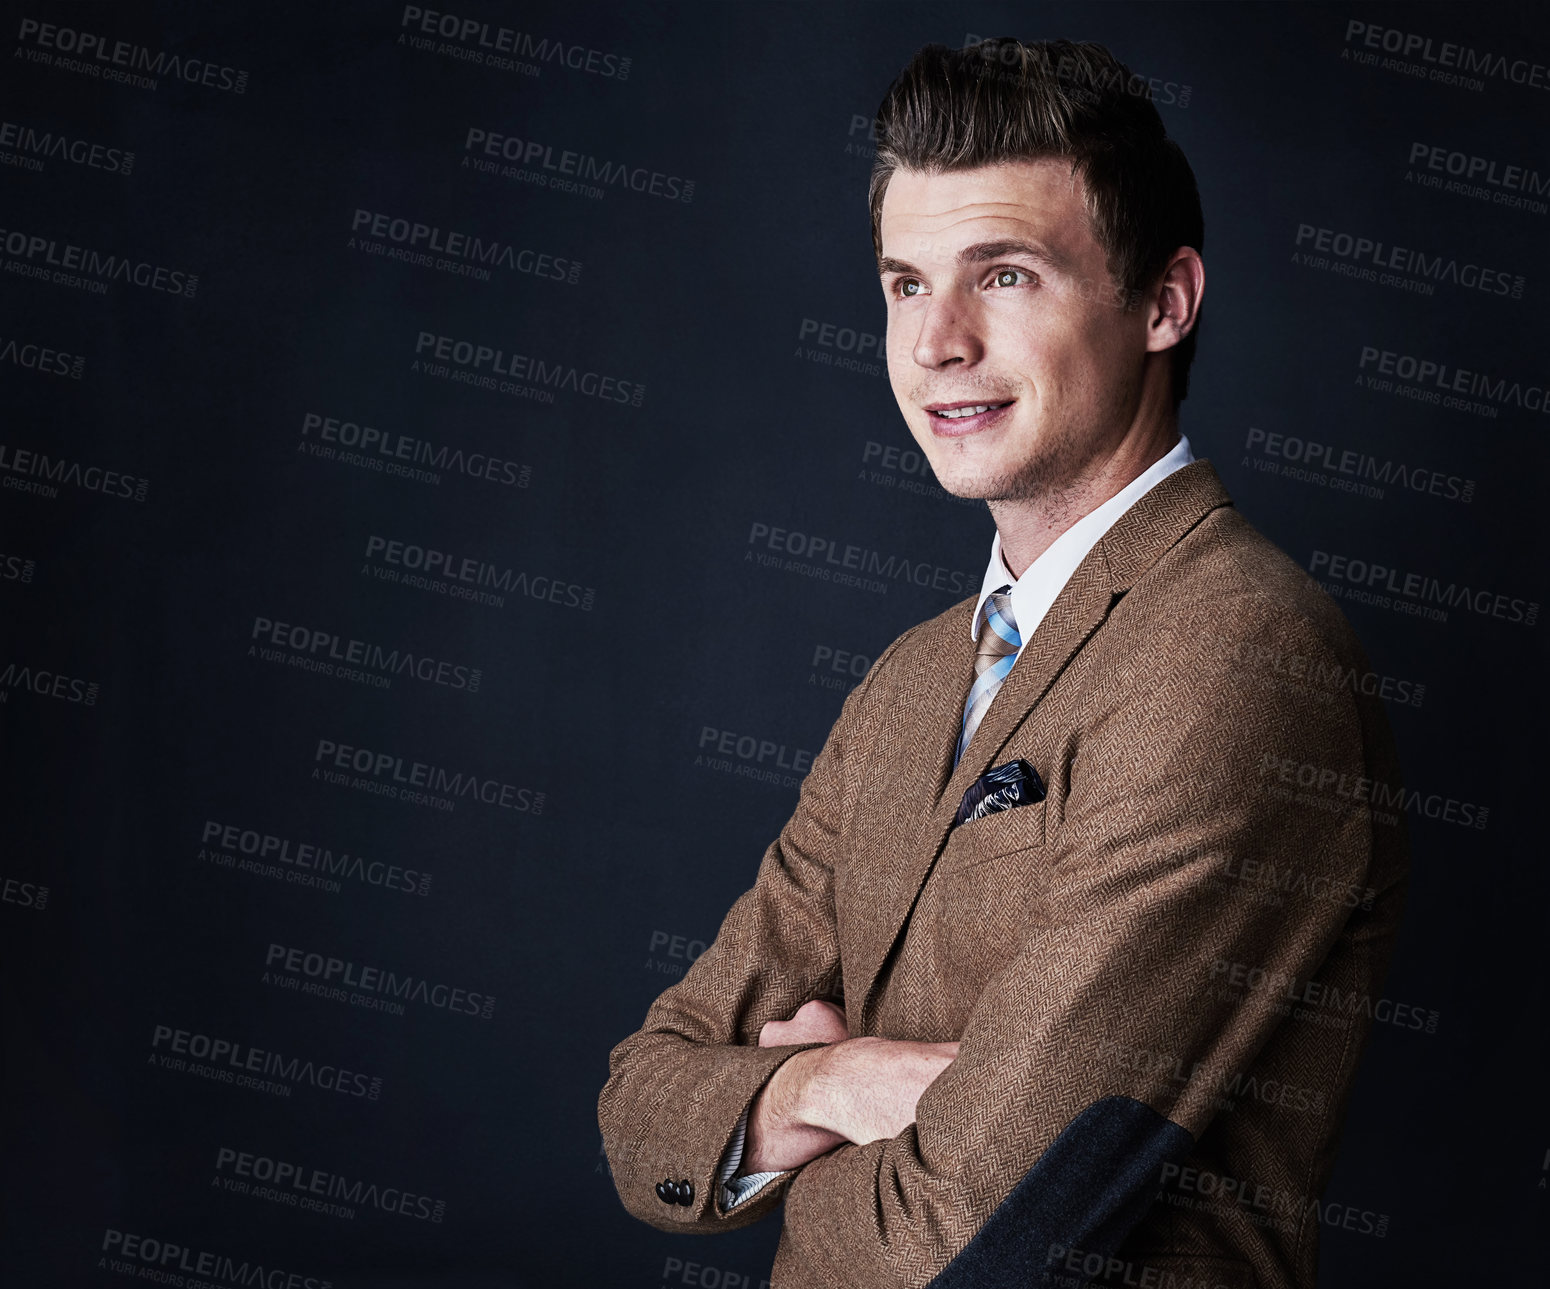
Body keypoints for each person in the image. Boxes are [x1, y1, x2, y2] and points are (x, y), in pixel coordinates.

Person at [598, 36, 1407, 1289]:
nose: (935, 343)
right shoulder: (914, 677)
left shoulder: (1237, 653)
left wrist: (771, 1127)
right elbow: (640, 1108)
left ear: (1162, 302)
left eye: (1006, 275)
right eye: (905, 283)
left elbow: (980, 1232)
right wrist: (837, 1077)